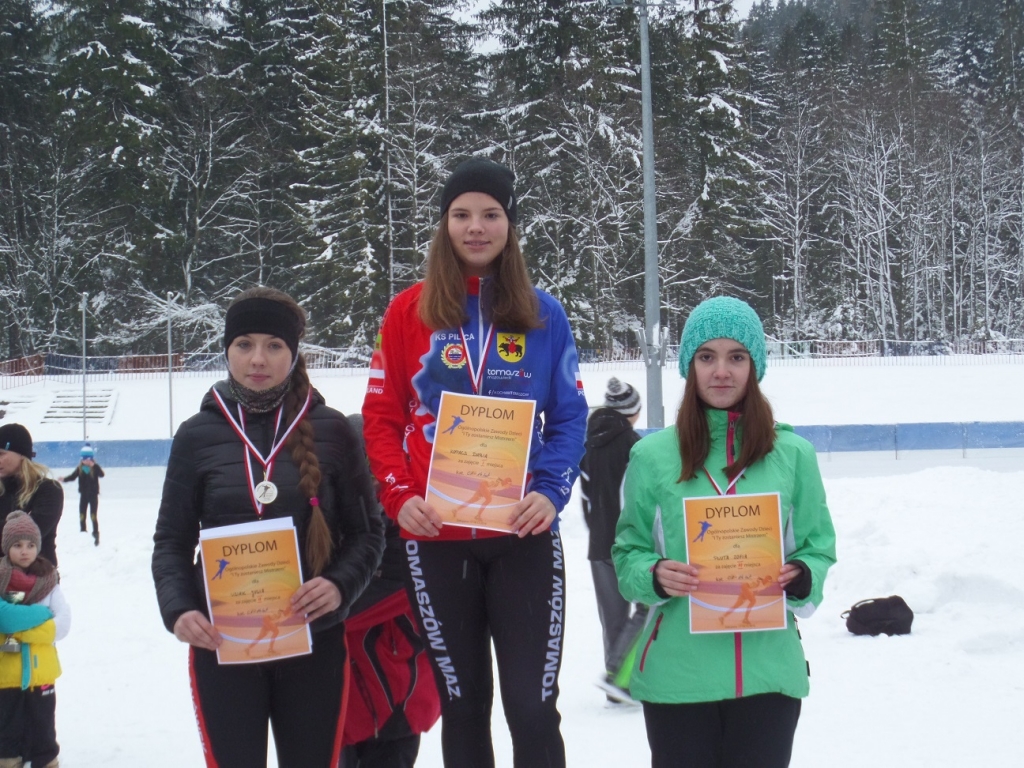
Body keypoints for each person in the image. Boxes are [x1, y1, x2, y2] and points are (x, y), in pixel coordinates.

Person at [361, 157, 588, 768]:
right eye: (461, 214)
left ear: (510, 225)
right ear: (444, 224)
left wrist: (551, 490)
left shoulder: (544, 314)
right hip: (436, 536)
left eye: (491, 214)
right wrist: (399, 496)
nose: (476, 227)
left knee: (532, 708)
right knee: (462, 708)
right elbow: (380, 419)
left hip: (522, 534)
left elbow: (570, 417)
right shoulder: (407, 311)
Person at [151, 286, 385, 768]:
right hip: (225, 643)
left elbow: (367, 534)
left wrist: (339, 585)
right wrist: (178, 609)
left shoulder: (333, 430)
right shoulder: (196, 436)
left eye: (274, 345)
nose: (258, 359)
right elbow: (171, 541)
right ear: (227, 350)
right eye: (244, 344)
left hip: (313, 638)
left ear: (293, 354)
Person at [612, 296, 837, 768]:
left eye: (736, 357)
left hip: (768, 676)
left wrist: (802, 575)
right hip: (678, 677)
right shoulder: (652, 457)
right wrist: (654, 575)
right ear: (689, 366)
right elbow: (628, 552)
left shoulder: (793, 455)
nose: (721, 371)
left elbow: (818, 547)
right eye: (706, 356)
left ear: (755, 367)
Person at [340, 414, 441, 768]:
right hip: (341, 697)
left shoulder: (416, 524)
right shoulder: (329, 521)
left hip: (395, 697)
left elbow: (345, 608)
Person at [579, 377, 647, 705]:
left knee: (613, 616)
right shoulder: (634, 445)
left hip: (598, 542)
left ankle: (616, 681)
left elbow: (586, 497)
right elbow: (637, 498)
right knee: (649, 606)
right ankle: (619, 678)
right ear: (633, 411)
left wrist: (597, 530)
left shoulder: (588, 444)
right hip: (627, 543)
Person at [0, 511, 71, 768]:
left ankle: (46, 760)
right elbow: (4, 619)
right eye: (17, 545)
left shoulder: (48, 581)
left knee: (43, 723)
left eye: (30, 545)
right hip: (6, 670)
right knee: (8, 724)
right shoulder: (1, 580)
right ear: (7, 547)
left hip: (42, 670)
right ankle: (9, 760)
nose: (24, 551)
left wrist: (23, 630)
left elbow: (63, 624)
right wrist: (41, 615)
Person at [0, 425, 64, 567]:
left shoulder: (48, 489)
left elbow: (25, 536)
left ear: (21, 454)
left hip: (37, 576)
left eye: (1, 454)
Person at [62, 443, 104, 546]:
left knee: (93, 515)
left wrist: (95, 466)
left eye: (89, 459)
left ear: (92, 459)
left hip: (93, 496)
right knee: (82, 515)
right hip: (83, 496)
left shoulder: (95, 468)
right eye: (84, 459)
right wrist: (64, 479)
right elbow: (72, 477)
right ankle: (83, 532)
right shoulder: (80, 468)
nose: (87, 461)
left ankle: (95, 534)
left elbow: (102, 475)